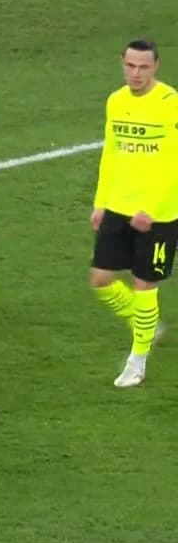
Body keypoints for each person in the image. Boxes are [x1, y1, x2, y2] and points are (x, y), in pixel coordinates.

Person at [89, 39, 178, 388]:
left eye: (143, 67)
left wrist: (151, 209)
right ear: (122, 63)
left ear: (156, 67)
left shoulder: (170, 104)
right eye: (130, 65)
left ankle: (137, 361)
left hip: (160, 216)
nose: (136, 73)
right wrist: (101, 202)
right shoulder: (116, 100)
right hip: (119, 207)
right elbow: (111, 154)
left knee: (144, 285)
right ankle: (148, 325)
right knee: (101, 280)